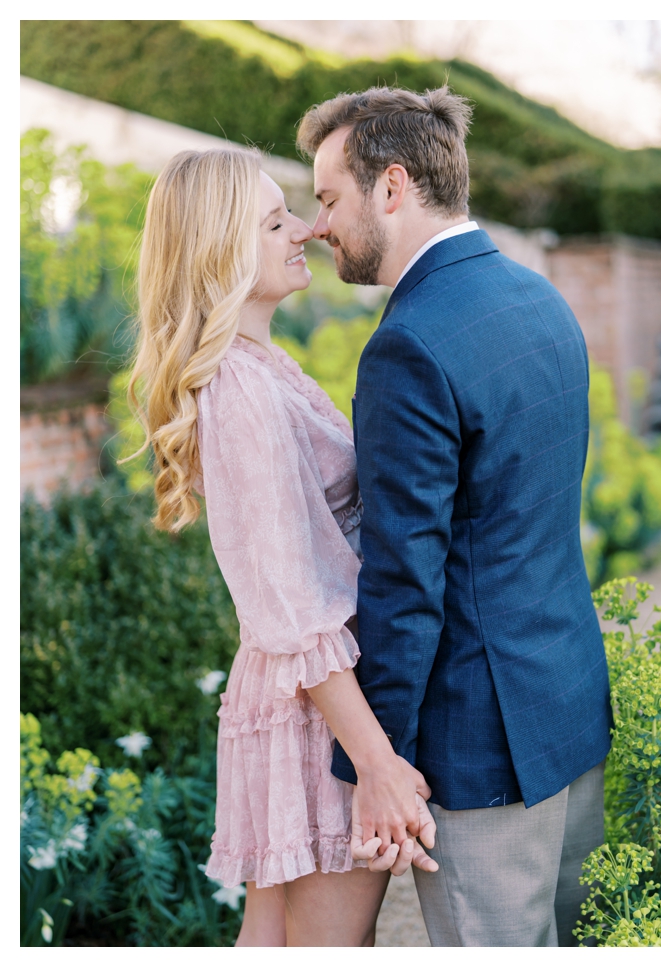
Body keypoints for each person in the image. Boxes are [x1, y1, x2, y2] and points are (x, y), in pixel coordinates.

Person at [296, 86, 613, 947]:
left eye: (328, 198)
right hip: (569, 710)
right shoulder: (540, 299)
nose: (318, 225)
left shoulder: (409, 344)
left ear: (391, 187)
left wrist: (379, 762)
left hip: (483, 750)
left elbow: (404, 583)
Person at [126, 147, 437, 947]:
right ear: (221, 254)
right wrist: (377, 762)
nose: (303, 229)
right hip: (315, 706)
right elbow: (296, 605)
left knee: (274, 943)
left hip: (296, 694)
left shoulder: (259, 367)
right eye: (273, 223)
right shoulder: (241, 392)